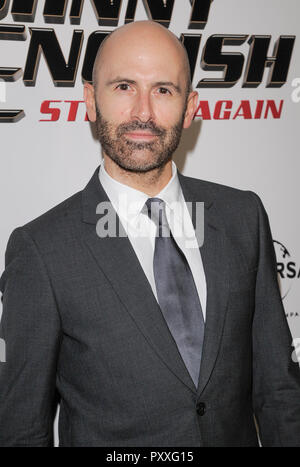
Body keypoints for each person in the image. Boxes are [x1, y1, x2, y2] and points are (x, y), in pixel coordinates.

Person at [0, 20, 300, 448]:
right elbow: (21, 428)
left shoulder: (242, 216)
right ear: (90, 100)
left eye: (164, 90)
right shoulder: (42, 249)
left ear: (190, 106)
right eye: (123, 87)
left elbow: (279, 390)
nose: (143, 112)